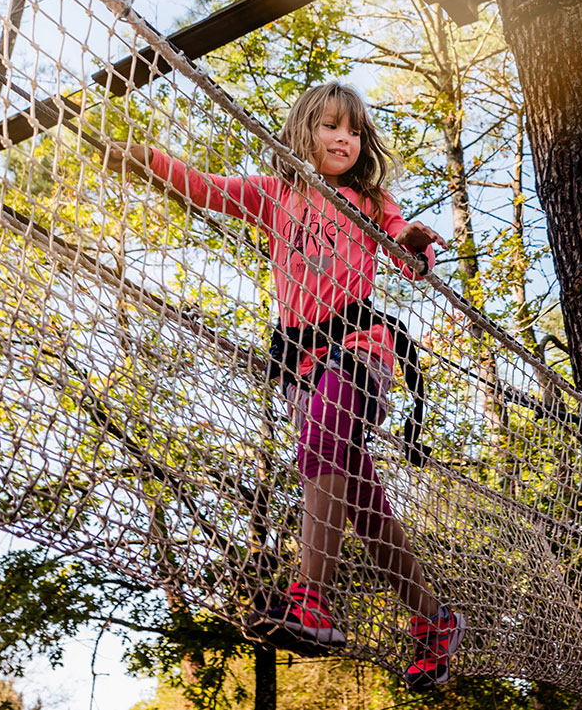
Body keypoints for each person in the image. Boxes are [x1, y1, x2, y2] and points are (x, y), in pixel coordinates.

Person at [109, 81, 465, 691]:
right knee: (362, 508)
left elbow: (411, 258)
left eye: (353, 131)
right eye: (331, 126)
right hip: (301, 362)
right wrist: (146, 159)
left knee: (325, 436)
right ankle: (434, 622)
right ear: (304, 130)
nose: (343, 139)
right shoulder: (275, 195)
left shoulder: (371, 202)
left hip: (360, 347)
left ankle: (312, 600)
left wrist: (413, 245)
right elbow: (205, 189)